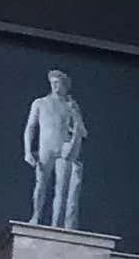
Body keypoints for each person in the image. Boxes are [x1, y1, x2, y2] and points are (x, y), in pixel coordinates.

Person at [22, 70, 89, 230]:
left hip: (63, 151)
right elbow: (30, 128)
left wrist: (75, 114)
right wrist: (28, 151)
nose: (55, 86)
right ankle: (36, 215)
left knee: (61, 190)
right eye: (52, 83)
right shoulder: (40, 103)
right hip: (45, 149)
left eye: (58, 83)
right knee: (40, 185)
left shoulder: (71, 106)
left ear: (65, 85)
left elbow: (83, 132)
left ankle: (56, 224)